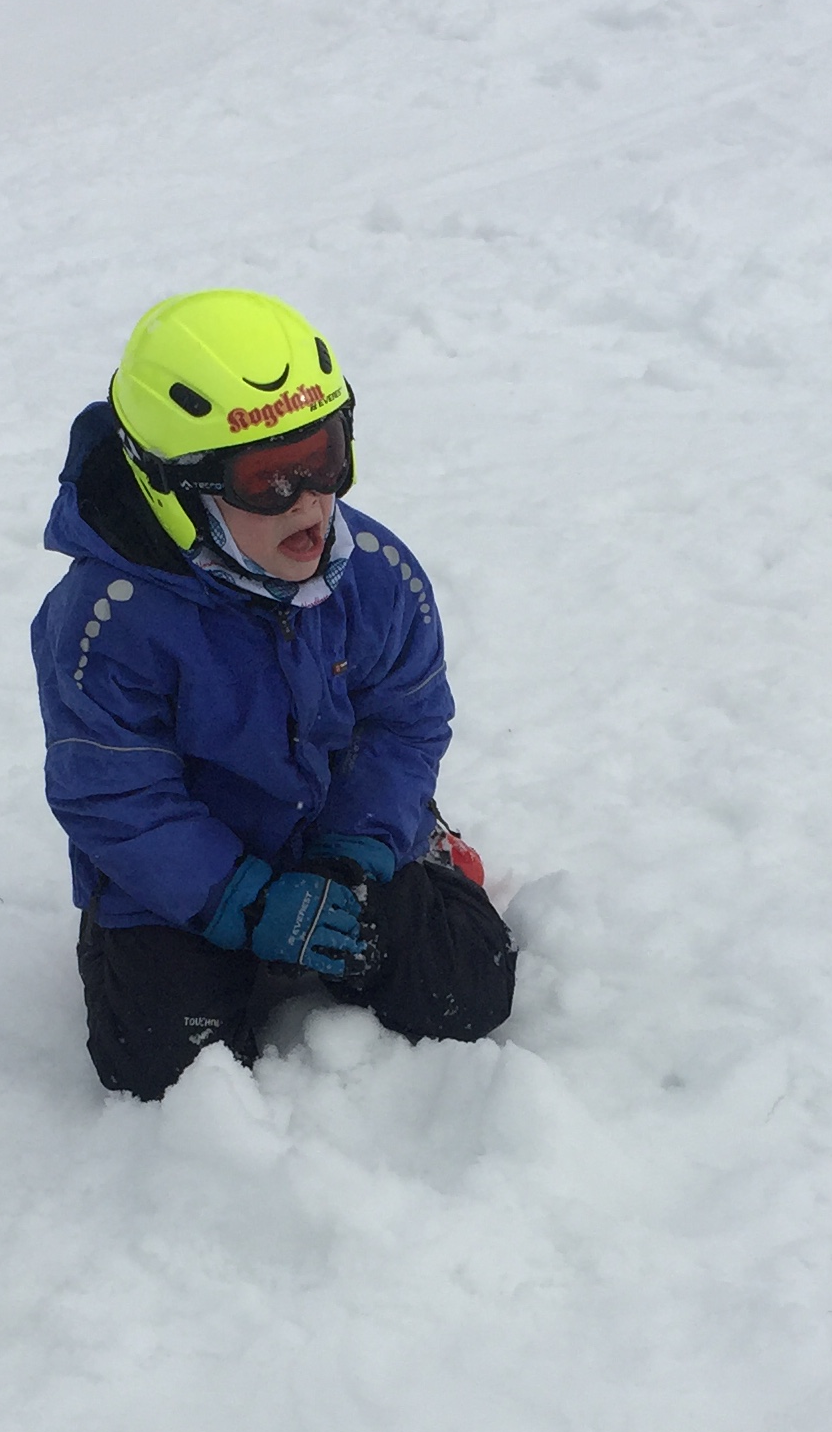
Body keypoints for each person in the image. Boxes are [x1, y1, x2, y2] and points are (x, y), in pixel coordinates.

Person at [32, 287, 515, 1101]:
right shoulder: (108, 621)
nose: (311, 501)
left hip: (331, 831)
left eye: (325, 459)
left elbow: (404, 722)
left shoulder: (376, 574)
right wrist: (240, 902)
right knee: (162, 1072)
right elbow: (116, 794)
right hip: (183, 876)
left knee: (466, 992)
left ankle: (417, 849)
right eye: (268, 480)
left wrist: (355, 852)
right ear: (176, 488)